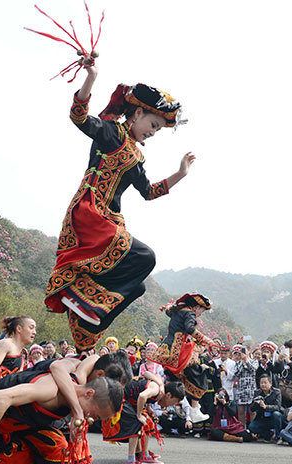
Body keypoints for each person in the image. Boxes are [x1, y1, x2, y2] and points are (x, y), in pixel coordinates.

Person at [43, 60, 195, 352]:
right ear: (137, 113)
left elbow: (149, 192)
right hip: (90, 212)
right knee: (145, 257)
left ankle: (88, 316)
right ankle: (79, 297)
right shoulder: (110, 132)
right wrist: (92, 77)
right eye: (153, 124)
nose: (153, 132)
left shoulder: (137, 157)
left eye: (159, 129)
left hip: (110, 219)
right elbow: (79, 117)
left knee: (137, 287)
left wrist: (180, 174)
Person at [153, 293, 214, 416]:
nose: (200, 314)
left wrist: (168, 306)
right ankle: (194, 410)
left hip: (167, 349)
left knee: (176, 378)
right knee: (198, 374)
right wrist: (205, 339)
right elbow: (189, 328)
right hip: (178, 351)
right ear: (196, 307)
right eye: (201, 311)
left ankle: (177, 404)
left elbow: (168, 311)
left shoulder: (178, 310)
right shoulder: (189, 313)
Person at [0, 316, 34, 381]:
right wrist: (3, 388)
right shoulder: (5, 343)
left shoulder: (21, 353)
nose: (34, 332)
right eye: (31, 328)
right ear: (19, 328)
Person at [248, 374, 284, 441]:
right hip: (262, 418)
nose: (263, 385)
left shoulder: (276, 392)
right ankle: (268, 434)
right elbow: (252, 409)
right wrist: (256, 403)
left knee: (276, 414)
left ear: (270, 383)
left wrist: (266, 407)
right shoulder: (257, 392)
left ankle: (278, 436)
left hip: (274, 418)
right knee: (251, 427)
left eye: (265, 383)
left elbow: (278, 407)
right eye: (261, 383)